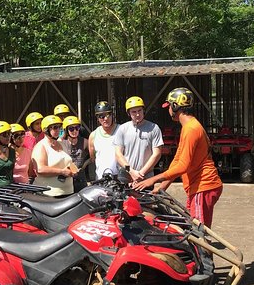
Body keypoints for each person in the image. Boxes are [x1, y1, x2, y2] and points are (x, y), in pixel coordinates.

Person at [133, 88, 223, 228]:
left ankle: (204, 250)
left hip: (203, 185)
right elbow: (177, 160)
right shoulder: (188, 127)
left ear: (175, 106)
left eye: (169, 106)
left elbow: (183, 166)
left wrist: (153, 179)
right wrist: (161, 188)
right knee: (193, 226)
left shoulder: (191, 129)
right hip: (198, 187)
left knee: (199, 231)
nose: (168, 109)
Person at [114, 96, 163, 183]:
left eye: (139, 110)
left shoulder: (154, 128)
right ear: (128, 113)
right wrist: (131, 171)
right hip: (126, 177)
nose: (137, 114)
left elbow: (157, 154)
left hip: (146, 178)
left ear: (143, 110)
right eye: (133, 112)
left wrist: (141, 173)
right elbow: (118, 154)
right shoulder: (122, 129)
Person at [32, 115, 76, 196]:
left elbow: (68, 162)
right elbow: (40, 169)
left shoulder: (61, 144)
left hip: (68, 191)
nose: (58, 130)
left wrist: (74, 170)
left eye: (59, 127)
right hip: (49, 194)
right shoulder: (41, 146)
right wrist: (62, 172)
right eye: (55, 127)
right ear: (46, 130)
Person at [88, 101, 120, 178]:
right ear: (98, 118)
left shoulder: (121, 130)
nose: (105, 119)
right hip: (101, 179)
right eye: (101, 116)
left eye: (108, 115)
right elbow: (92, 158)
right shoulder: (93, 135)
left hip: (120, 179)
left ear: (112, 115)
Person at [60, 115, 90, 192]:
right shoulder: (61, 143)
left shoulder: (85, 141)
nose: (75, 131)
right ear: (66, 130)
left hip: (81, 180)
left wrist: (83, 166)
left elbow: (93, 157)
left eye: (77, 128)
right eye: (71, 129)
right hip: (66, 180)